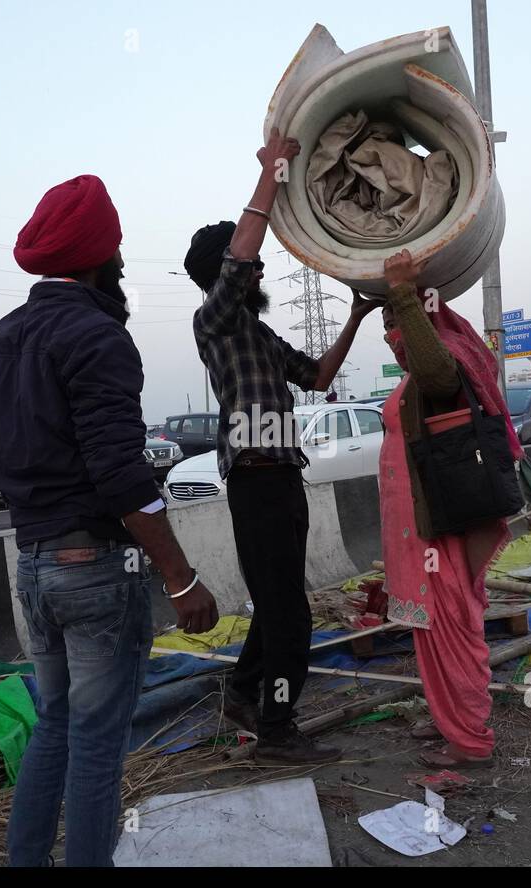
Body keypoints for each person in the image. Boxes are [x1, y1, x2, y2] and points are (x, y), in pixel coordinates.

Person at [0, 174, 218, 867]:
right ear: (99, 257)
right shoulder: (96, 334)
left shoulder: (4, 336)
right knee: (97, 744)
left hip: (33, 563)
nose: (120, 263)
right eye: (116, 251)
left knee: (55, 722)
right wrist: (180, 577)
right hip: (92, 571)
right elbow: (120, 474)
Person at [183, 129, 374, 764]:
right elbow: (241, 259)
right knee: (292, 618)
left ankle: (242, 691)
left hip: (284, 480)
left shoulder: (259, 336)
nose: (261, 268)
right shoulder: (213, 323)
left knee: (279, 603)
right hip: (256, 481)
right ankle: (276, 730)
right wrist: (272, 170)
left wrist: (356, 314)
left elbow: (318, 377)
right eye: (249, 266)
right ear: (222, 278)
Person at [376, 249, 524, 769]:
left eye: (395, 323)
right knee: (435, 631)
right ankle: (450, 719)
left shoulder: (443, 362)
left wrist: (402, 296)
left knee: (452, 627)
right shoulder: (421, 371)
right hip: (422, 530)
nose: (390, 333)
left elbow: (436, 371)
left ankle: (468, 740)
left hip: (438, 529)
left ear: (421, 314)